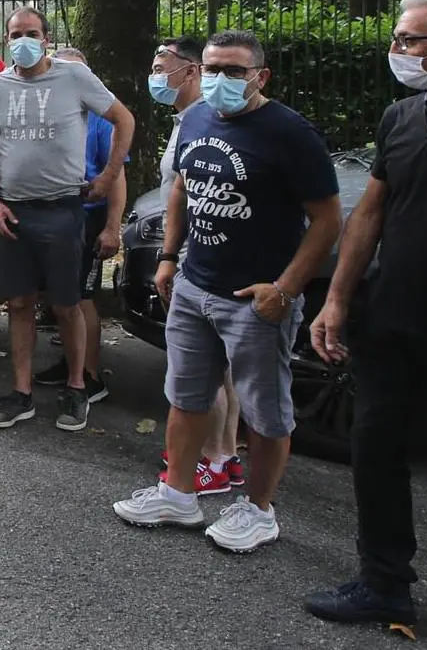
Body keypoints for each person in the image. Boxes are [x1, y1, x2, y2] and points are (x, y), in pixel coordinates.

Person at [305, 0, 427, 641]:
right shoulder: (400, 117)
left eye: (408, 40)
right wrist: (337, 297)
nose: (396, 51)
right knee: (376, 452)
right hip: (391, 321)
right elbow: (370, 213)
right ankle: (383, 582)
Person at [113, 30, 341, 554]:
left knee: (266, 412)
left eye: (234, 71)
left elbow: (327, 220)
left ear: (260, 76)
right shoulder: (195, 118)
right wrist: (170, 258)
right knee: (186, 396)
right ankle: (178, 493)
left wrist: (284, 290)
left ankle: (258, 510)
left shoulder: (290, 133)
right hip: (195, 285)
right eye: (212, 69)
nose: (220, 80)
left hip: (255, 298)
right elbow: (182, 189)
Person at [0, 7, 133, 434]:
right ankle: (22, 392)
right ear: (6, 39)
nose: (21, 41)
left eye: (30, 33)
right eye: (14, 34)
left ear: (45, 38)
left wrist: (108, 174)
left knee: (67, 305)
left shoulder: (73, 77)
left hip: (63, 209)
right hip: (13, 212)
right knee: (19, 304)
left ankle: (76, 386)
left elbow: (124, 119)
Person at [147, 36, 246, 495]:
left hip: (205, 260)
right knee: (216, 367)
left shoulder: (214, 122)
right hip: (188, 260)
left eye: (162, 64)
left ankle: (214, 458)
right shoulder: (189, 119)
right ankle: (223, 455)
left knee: (207, 367)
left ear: (190, 71)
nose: (155, 73)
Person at [33, 47, 123, 405]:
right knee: (58, 296)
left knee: (81, 298)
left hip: (88, 217)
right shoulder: (45, 110)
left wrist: (112, 227)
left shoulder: (101, 118)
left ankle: (89, 376)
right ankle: (70, 362)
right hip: (50, 214)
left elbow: (116, 175)